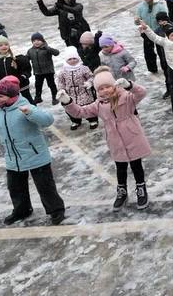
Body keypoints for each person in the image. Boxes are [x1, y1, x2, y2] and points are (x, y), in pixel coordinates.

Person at [0, 76, 66, 225]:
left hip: (36, 156)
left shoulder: (25, 107)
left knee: (45, 187)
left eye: (0, 96)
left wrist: (30, 113)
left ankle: (56, 210)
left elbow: (47, 120)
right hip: (12, 159)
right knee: (16, 189)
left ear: (12, 96)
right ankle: (22, 210)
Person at [59, 68, 151, 210]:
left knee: (136, 165)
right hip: (114, 139)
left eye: (107, 86)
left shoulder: (126, 97)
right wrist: (67, 102)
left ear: (114, 85)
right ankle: (122, 191)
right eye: (101, 89)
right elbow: (79, 112)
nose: (105, 91)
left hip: (132, 136)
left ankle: (141, 188)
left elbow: (141, 93)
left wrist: (129, 85)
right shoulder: (98, 105)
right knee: (120, 167)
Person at [55, 47, 97, 131]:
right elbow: (60, 82)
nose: (72, 60)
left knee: (87, 107)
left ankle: (92, 120)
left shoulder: (83, 68)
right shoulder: (63, 71)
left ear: (78, 58)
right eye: (70, 59)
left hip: (84, 91)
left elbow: (91, 77)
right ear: (66, 60)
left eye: (74, 58)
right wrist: (61, 89)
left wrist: (89, 82)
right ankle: (75, 121)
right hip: (71, 94)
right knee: (71, 107)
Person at [134, 0, 170, 86]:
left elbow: (165, 17)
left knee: (161, 51)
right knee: (148, 51)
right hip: (146, 33)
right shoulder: (141, 7)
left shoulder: (159, 6)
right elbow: (137, 19)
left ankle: (165, 66)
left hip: (159, 32)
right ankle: (152, 68)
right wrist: (137, 20)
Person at [27, 32, 59, 105]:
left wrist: (48, 48)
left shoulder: (47, 49)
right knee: (38, 85)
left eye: (38, 40)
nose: (36, 42)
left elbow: (57, 53)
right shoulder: (30, 51)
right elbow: (26, 59)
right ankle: (38, 97)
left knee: (51, 84)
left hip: (48, 71)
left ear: (42, 40)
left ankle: (55, 97)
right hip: (38, 72)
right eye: (34, 41)